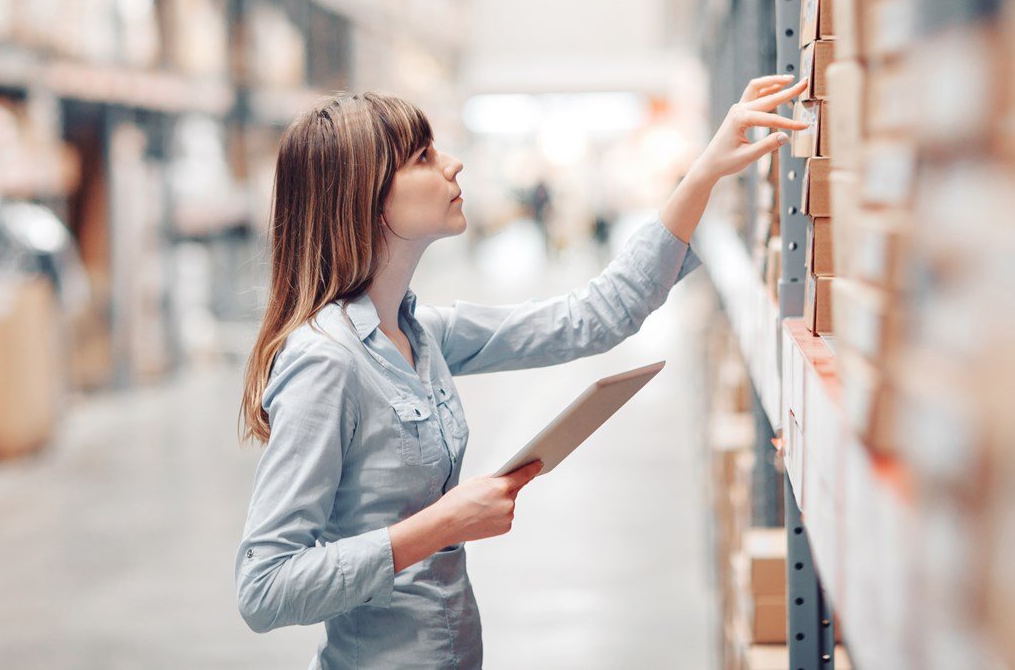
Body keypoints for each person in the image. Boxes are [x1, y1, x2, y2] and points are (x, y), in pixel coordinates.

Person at [235, 75, 808, 668]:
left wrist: (704, 174)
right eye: (424, 157)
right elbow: (264, 587)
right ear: (367, 196)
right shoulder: (325, 361)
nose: (453, 166)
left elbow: (592, 317)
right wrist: (443, 524)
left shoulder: (422, 333)